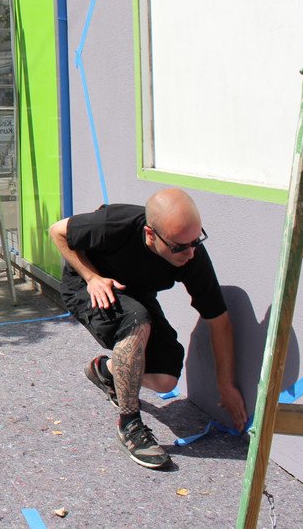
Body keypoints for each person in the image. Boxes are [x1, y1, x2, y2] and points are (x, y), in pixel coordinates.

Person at [48, 188, 247, 469]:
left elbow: (219, 321)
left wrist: (225, 385)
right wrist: (92, 277)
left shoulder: (192, 255)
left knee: (166, 378)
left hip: (135, 295)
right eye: (179, 247)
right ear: (151, 234)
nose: (190, 253)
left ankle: (107, 370)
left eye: (196, 241)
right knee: (136, 320)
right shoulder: (115, 223)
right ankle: (129, 425)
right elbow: (57, 231)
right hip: (88, 287)